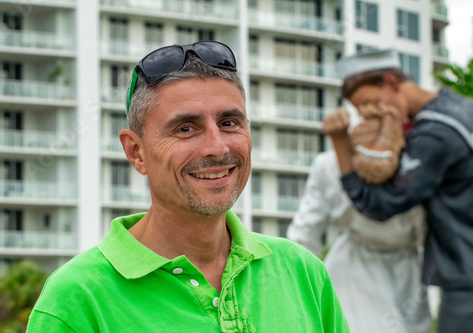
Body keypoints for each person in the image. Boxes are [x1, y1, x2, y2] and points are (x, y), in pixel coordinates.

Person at [27, 41, 350, 332]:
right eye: (185, 128)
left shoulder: (302, 272)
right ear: (136, 153)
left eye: (228, 123)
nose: (218, 147)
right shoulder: (76, 299)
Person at [323, 49, 473, 332]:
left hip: (466, 280)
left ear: (391, 82)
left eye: (369, 101)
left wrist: (341, 144)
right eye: (361, 111)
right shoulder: (460, 108)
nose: (369, 113)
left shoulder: (436, 134)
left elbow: (379, 205)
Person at [288, 150, 431, 333]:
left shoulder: (424, 162)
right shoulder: (330, 165)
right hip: (352, 272)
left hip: (408, 276)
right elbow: (304, 238)